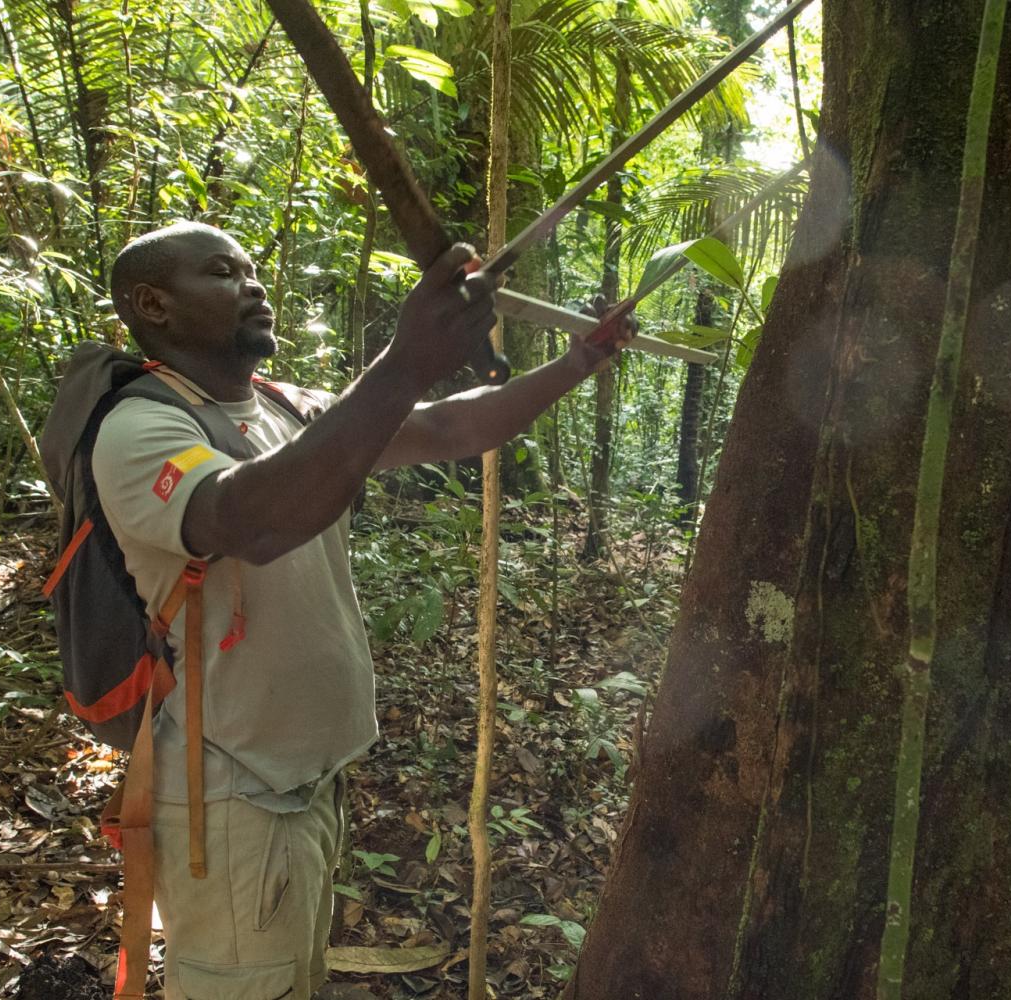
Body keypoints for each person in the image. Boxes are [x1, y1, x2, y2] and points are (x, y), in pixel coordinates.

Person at [91, 220, 630, 999]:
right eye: (222, 272)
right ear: (154, 304)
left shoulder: (279, 404)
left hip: (304, 783)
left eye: (252, 269)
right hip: (230, 794)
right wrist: (406, 359)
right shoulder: (139, 427)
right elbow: (260, 518)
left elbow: (453, 425)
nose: (253, 285)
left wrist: (582, 358)